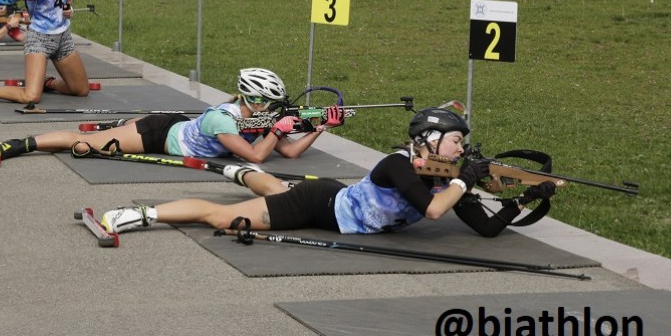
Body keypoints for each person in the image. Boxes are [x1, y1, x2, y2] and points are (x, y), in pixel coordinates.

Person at [98, 102, 557, 236]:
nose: (462, 148)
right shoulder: (398, 165)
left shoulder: (444, 178)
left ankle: (245, 174)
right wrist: (464, 179)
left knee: (270, 188)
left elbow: (486, 228)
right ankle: (140, 214)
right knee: (222, 218)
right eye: (456, 141)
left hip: (334, 203)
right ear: (430, 140)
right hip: (318, 206)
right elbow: (434, 211)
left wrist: (522, 201)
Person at [0, 68, 342, 197]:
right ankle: (19, 144)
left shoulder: (256, 121)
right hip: (158, 134)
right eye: (273, 104)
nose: (276, 110)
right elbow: (258, 157)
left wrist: (321, 127)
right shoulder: (223, 120)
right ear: (256, 100)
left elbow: (289, 152)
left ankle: (118, 127)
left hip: (177, 125)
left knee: (110, 136)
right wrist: (278, 130)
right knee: (85, 144)